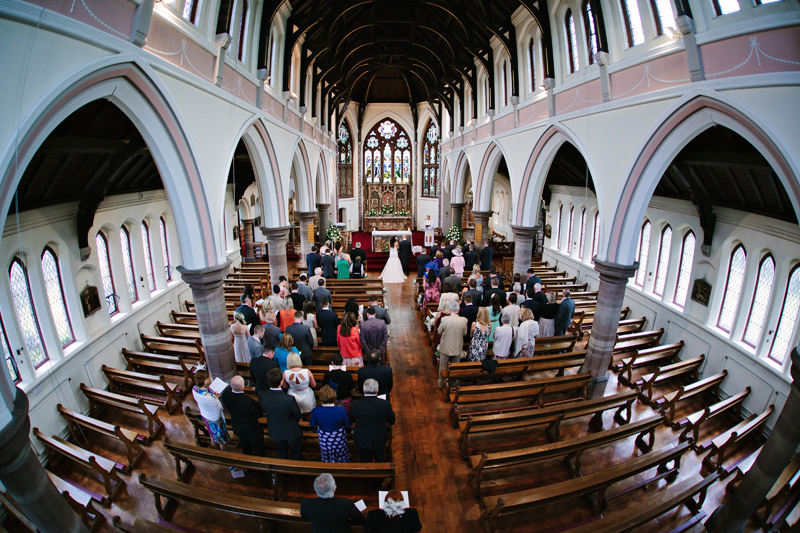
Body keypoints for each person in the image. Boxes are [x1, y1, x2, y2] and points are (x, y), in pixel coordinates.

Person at [258, 368, 302, 460]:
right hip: (291, 431)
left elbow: (264, 409)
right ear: (281, 382)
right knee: (296, 454)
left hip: (275, 429)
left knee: (281, 452)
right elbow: (297, 415)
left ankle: (283, 472)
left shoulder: (262, 395)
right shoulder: (289, 399)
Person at [350, 378, 395, 462]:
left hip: (362, 438)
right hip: (379, 437)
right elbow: (392, 420)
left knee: (365, 459)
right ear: (377, 390)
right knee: (380, 457)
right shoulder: (385, 404)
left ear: (363, 390)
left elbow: (351, 420)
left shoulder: (354, 405)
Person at [300, 474, 365, 532]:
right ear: (334, 489)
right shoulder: (346, 504)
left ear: (315, 489)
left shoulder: (306, 503)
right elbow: (361, 520)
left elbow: (304, 516)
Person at [220, 376, 265, 456]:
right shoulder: (249, 402)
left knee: (245, 447)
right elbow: (259, 415)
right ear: (242, 388)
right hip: (252, 429)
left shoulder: (225, 396)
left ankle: (248, 465)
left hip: (238, 426)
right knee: (258, 449)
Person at [309, 386, 351, 462]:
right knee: (341, 453)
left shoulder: (316, 410)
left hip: (324, 437)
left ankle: (327, 463)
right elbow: (347, 424)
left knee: (326, 454)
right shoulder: (341, 410)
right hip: (339, 437)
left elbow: (313, 424)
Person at [191, 370, 228, 450]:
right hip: (215, 419)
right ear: (204, 380)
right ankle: (225, 455)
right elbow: (219, 407)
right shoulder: (210, 397)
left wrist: (213, 397)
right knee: (221, 439)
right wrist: (216, 397)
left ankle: (217, 449)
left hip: (206, 416)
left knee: (212, 435)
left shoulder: (194, 389)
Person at [437, 300, 468, 386]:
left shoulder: (444, 319)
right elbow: (465, 333)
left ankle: (441, 382)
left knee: (443, 366)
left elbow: (439, 332)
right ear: (458, 309)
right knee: (455, 366)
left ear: (450, 309)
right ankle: (453, 382)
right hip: (457, 346)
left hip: (446, 346)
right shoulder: (464, 320)